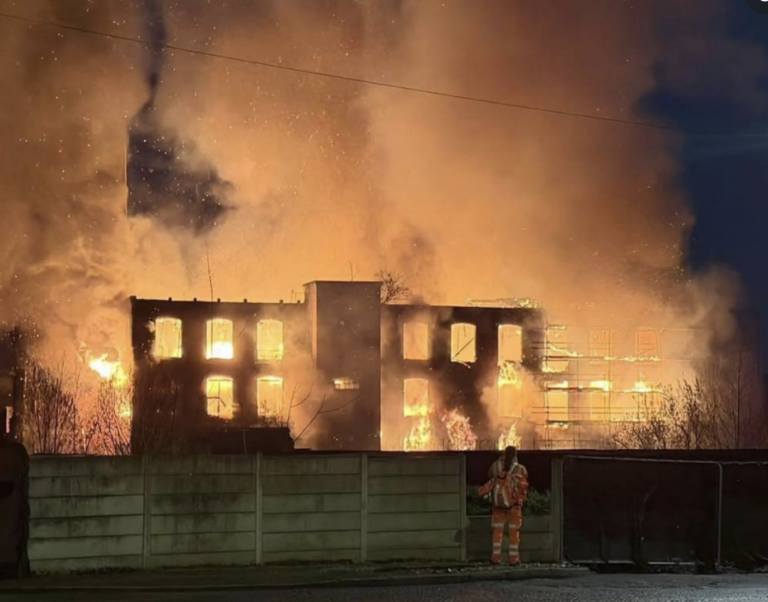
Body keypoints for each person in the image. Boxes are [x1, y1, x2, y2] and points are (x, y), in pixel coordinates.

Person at [479, 446, 528, 565]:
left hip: (498, 506)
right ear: (515, 455)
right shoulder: (520, 469)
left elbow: (490, 477)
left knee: (497, 532)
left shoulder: (495, 466)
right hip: (515, 506)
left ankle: (495, 558)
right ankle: (514, 559)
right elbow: (524, 485)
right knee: (514, 533)